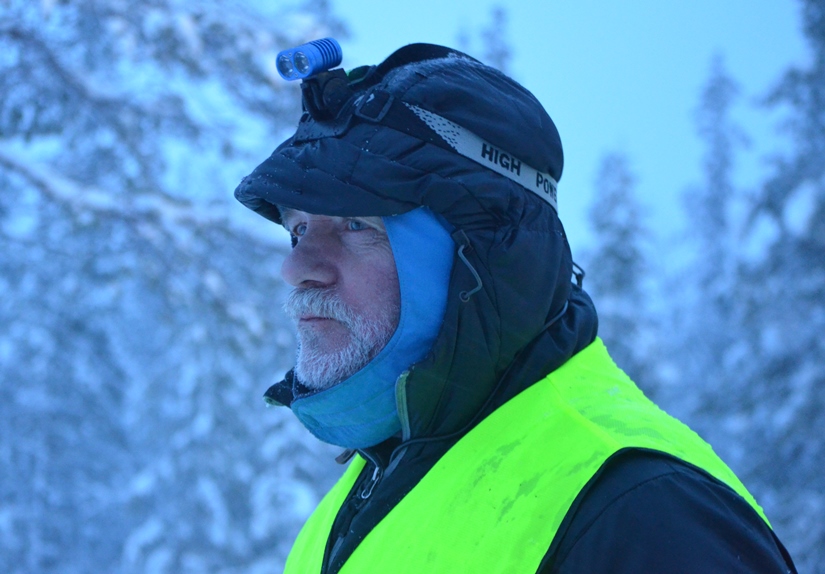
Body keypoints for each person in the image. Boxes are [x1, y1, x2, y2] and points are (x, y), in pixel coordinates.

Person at [235, 42, 796, 573]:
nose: (296, 267)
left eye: (356, 224)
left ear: (479, 255)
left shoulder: (644, 512)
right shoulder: (380, 477)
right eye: (299, 229)